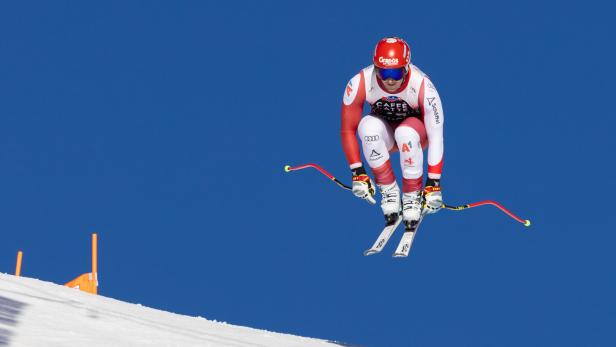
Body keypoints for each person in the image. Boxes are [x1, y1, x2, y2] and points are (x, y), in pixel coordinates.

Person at [341, 37, 444, 224]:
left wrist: (433, 184)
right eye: (384, 72)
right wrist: (358, 172)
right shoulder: (359, 82)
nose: (389, 80)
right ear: (375, 68)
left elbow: (436, 136)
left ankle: (412, 196)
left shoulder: (423, 86)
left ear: (406, 68)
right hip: (385, 134)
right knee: (367, 127)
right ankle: (389, 190)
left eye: (396, 73)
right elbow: (348, 129)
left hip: (415, 134)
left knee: (404, 134)